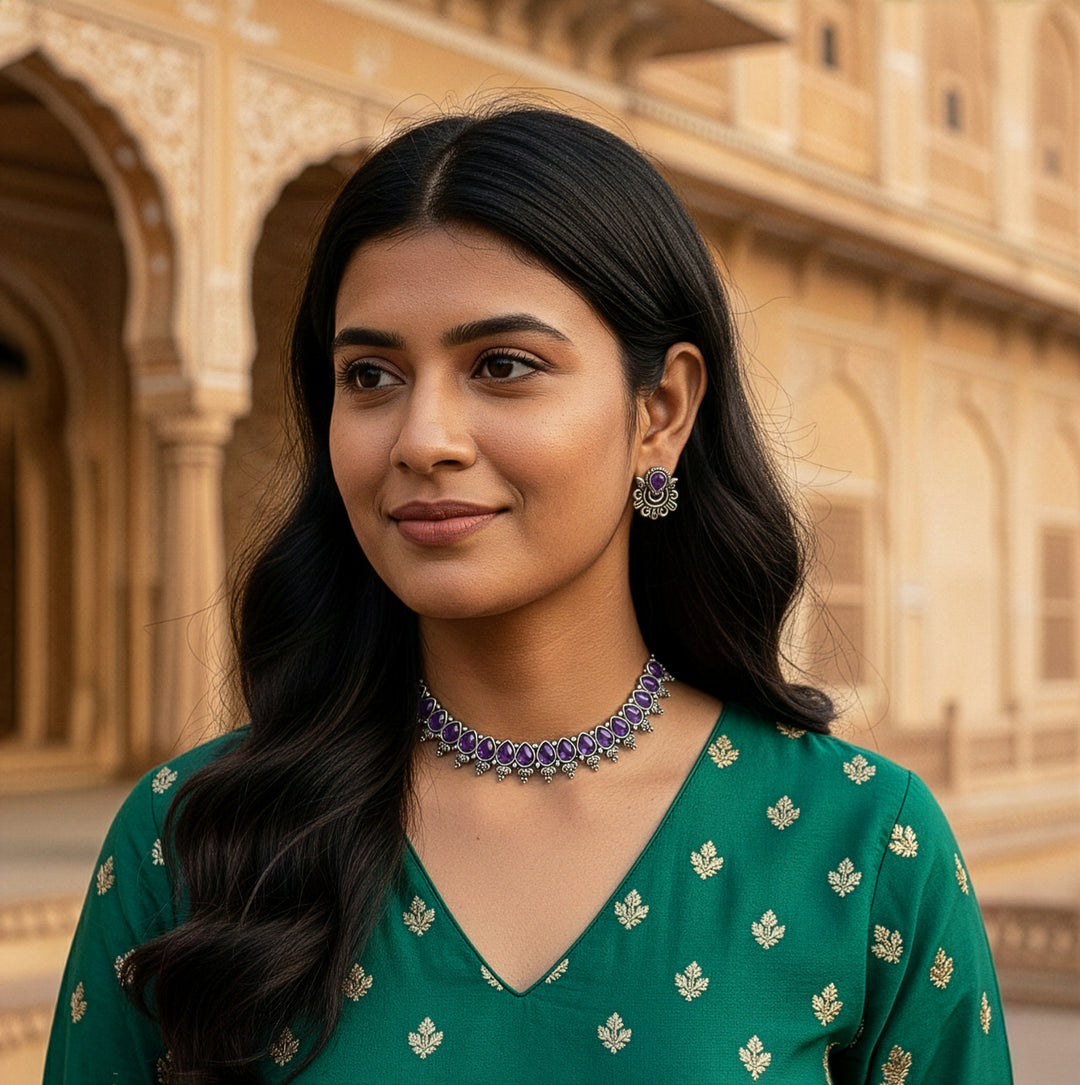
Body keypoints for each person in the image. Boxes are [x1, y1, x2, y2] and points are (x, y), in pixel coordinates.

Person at [44, 105, 1012, 1083]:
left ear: (661, 411)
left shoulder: (857, 845)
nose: (423, 438)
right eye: (370, 375)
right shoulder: (192, 843)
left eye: (503, 366)